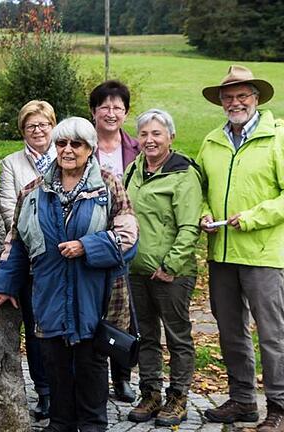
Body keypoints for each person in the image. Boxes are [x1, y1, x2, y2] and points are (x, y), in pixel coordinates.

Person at [0, 117, 138, 432]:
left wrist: (87, 246)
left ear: (90, 149)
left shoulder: (108, 185)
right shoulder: (33, 191)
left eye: (76, 144)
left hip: (95, 292)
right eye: (62, 143)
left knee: (91, 362)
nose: (68, 150)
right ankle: (61, 423)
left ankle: (93, 424)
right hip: (50, 289)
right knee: (54, 360)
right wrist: (5, 284)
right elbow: (16, 242)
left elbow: (129, 238)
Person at [197, 65, 284, 432]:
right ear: (221, 102)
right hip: (221, 254)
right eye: (229, 97)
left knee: (272, 334)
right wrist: (203, 213)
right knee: (230, 331)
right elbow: (199, 189)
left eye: (242, 96)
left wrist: (252, 217)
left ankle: (279, 406)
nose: (236, 102)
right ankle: (243, 400)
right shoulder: (211, 141)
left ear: (256, 98)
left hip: (264, 254)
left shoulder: (276, 138)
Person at [122, 109, 201, 427]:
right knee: (146, 336)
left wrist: (171, 265)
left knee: (178, 337)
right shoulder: (133, 170)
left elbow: (189, 227)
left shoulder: (184, 174)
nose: (149, 139)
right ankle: (151, 393)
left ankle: (179, 397)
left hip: (171, 274)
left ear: (171, 137)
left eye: (157, 133)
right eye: (143, 134)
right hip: (136, 270)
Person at [0, 100, 57, 420]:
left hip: (66, 260)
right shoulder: (11, 163)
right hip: (31, 259)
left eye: (44, 125)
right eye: (31, 126)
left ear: (53, 126)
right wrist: (38, 240)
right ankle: (44, 391)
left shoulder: (68, 156)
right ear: (23, 130)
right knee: (36, 329)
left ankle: (69, 389)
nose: (38, 130)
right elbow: (8, 208)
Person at [89, 79, 140, 402]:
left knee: (125, 313)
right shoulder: (81, 145)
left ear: (125, 113)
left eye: (117, 107)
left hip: (129, 243)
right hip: (91, 240)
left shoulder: (136, 148)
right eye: (104, 106)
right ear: (93, 111)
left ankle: (121, 377)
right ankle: (91, 376)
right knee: (95, 311)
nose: (111, 112)